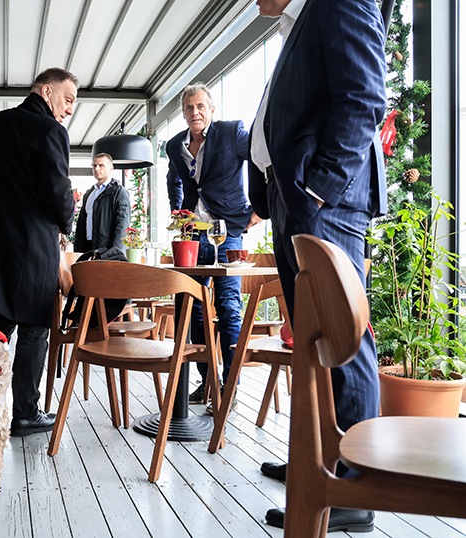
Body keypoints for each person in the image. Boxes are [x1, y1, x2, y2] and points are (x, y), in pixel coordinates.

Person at [248, 0, 387, 532]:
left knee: (344, 337)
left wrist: (317, 188)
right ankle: (316, 463)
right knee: (310, 340)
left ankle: (354, 483)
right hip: (298, 200)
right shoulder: (297, 22)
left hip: (326, 201)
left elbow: (364, 96)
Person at [0, 68, 77, 437]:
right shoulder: (51, 131)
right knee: (36, 326)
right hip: (33, 245)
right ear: (46, 91)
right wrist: (65, 223)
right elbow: (57, 191)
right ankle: (24, 412)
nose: (68, 110)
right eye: (67, 100)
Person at [165, 82, 259, 412]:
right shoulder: (175, 145)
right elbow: (174, 179)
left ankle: (229, 387)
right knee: (195, 310)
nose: (195, 112)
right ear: (183, 112)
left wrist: (259, 210)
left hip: (229, 233)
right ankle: (209, 380)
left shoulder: (232, 132)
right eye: (189, 107)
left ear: (211, 109)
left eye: (200, 106)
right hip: (194, 238)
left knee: (229, 307)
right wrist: (179, 212)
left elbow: (260, 160)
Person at [73, 152, 130, 254]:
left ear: (111, 168)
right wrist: (77, 250)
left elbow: (122, 225)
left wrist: (115, 253)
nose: (96, 169)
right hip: (87, 249)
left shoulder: (119, 192)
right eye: (94, 165)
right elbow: (81, 224)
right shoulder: (89, 194)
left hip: (106, 250)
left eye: (101, 165)